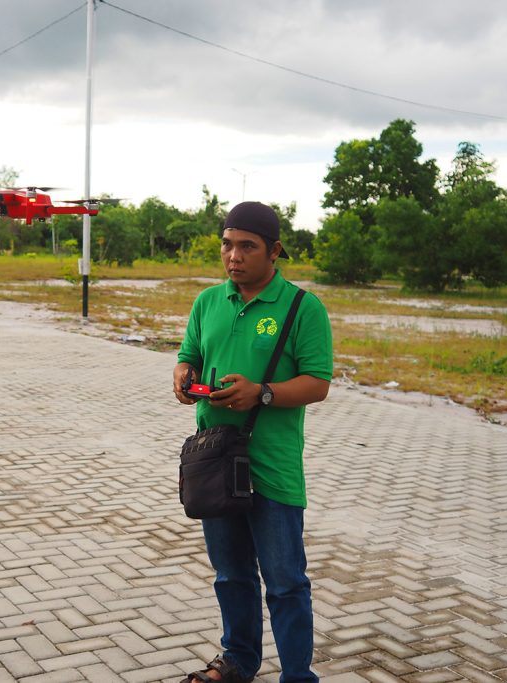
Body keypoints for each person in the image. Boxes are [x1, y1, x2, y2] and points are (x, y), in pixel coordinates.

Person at [173, 201, 333, 683]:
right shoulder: (207, 302)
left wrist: (261, 392)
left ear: (274, 250)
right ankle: (238, 661)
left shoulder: (302, 308)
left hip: (272, 467)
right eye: (227, 244)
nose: (234, 256)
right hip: (217, 461)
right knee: (231, 576)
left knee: (285, 583)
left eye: (247, 246)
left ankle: (297, 676)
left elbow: (318, 383)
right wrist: (184, 376)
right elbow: (189, 356)